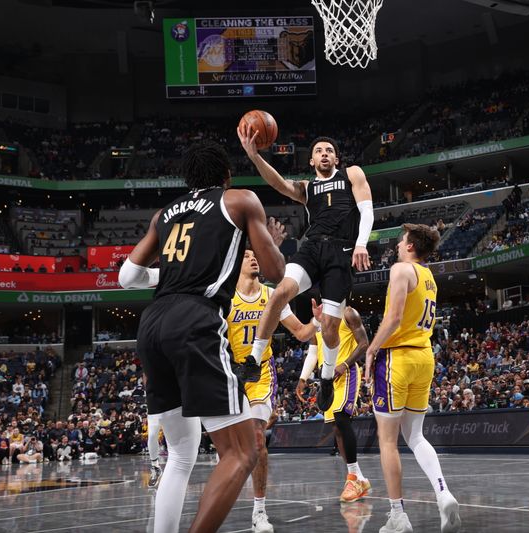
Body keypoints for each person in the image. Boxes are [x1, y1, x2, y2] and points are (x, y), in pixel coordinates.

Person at [120, 140, 286, 533]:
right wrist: (274, 246)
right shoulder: (239, 200)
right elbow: (276, 272)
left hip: (153, 324)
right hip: (195, 320)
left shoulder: (164, 214)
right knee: (243, 452)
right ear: (226, 176)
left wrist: (173, 275)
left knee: (180, 453)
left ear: (188, 178)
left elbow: (127, 277)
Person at [238, 127, 374, 414]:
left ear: (336, 158)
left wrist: (361, 244)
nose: (324, 154)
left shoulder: (351, 175)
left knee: (330, 327)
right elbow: (277, 183)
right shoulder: (306, 187)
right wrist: (255, 156)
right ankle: (253, 359)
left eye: (329, 151)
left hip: (342, 250)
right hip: (312, 247)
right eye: (318, 151)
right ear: (312, 161)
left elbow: (367, 210)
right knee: (279, 294)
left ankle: (325, 378)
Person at [364, 224, 461, 533]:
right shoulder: (429, 276)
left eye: (400, 241)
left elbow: (392, 319)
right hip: (424, 357)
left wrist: (371, 350)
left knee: (388, 441)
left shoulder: (401, 269)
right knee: (416, 436)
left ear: (410, 247)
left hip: (398, 359)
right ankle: (443, 493)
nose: (396, 246)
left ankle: (398, 515)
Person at [229, 248, 322, 533]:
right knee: (231, 449)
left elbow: (302, 333)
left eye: (255, 254)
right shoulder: (226, 297)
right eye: (246, 255)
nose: (253, 257)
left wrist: (317, 321)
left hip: (261, 373)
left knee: (258, 439)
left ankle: (259, 511)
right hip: (230, 373)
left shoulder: (272, 295)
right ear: (236, 263)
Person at [297, 305, 371, 503]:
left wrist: (344, 364)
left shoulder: (348, 313)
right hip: (327, 378)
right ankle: (358, 478)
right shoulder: (318, 318)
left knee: (341, 419)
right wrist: (303, 378)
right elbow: (313, 352)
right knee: (337, 429)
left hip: (347, 373)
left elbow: (364, 343)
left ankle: (353, 478)